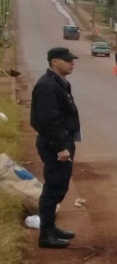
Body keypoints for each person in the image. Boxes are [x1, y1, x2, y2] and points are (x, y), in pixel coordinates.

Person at [30, 47, 81, 249]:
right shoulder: (47, 86)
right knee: (53, 188)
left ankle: (50, 227)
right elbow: (47, 120)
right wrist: (60, 147)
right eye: (68, 60)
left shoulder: (59, 83)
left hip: (62, 141)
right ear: (54, 62)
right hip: (54, 144)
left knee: (59, 186)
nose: (72, 63)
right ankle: (46, 234)